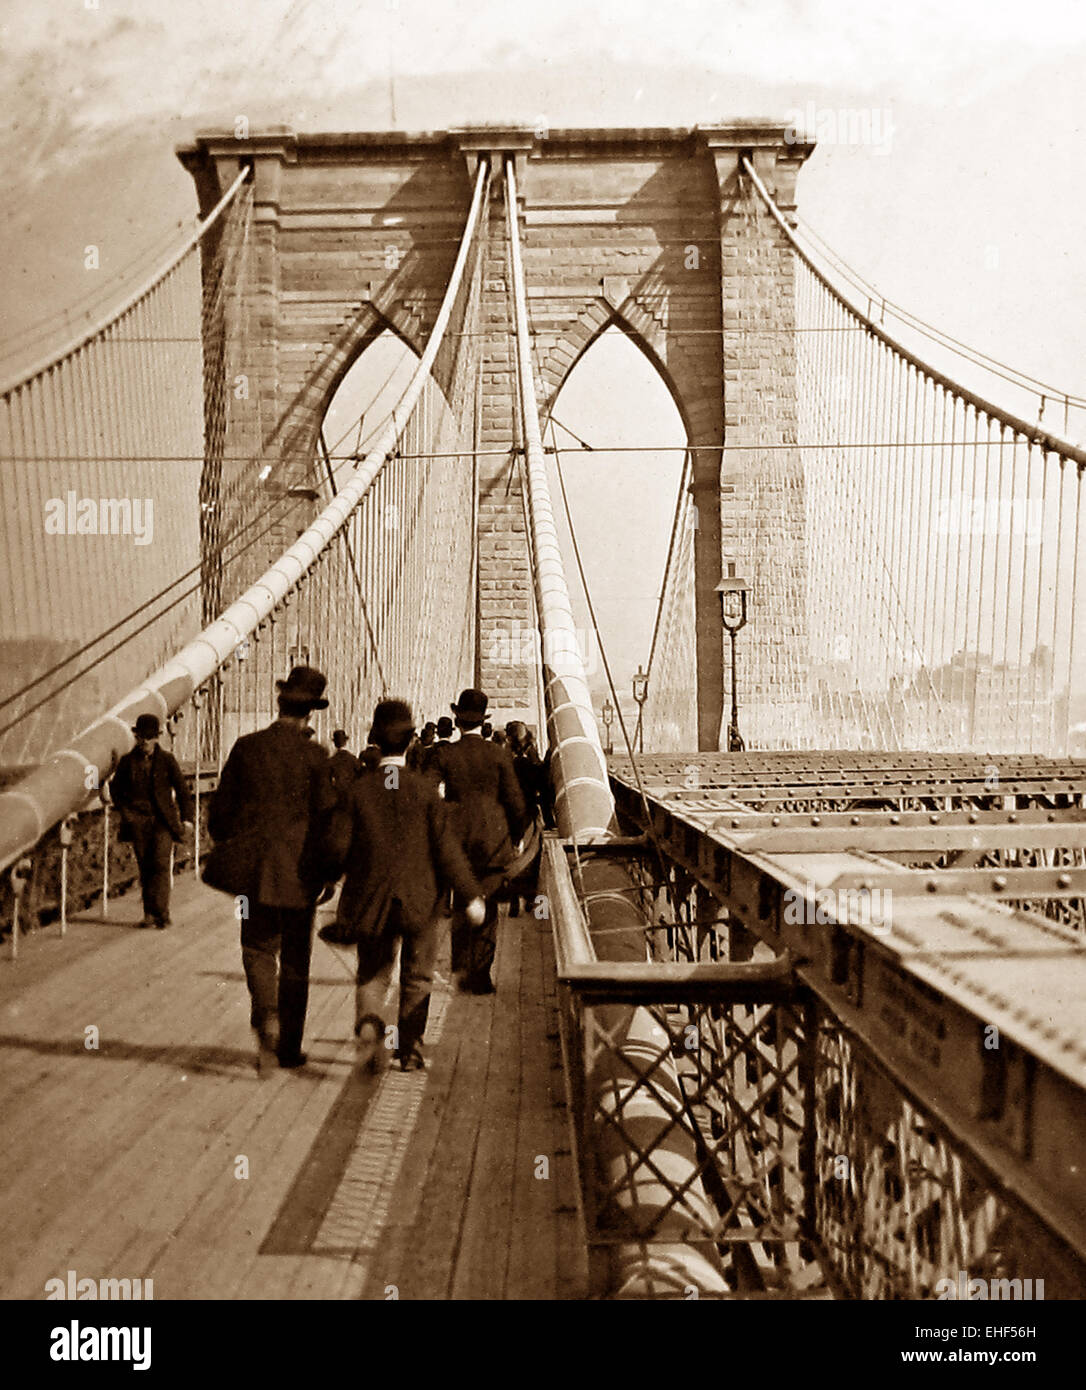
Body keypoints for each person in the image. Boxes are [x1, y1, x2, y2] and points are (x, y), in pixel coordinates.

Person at [328, 700, 485, 1072]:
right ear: (413, 741)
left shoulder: (358, 791)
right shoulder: (425, 792)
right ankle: (410, 1050)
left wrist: (324, 881)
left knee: (374, 972)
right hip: (421, 899)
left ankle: (369, 1024)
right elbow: (447, 852)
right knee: (417, 975)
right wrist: (470, 896)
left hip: (370, 899)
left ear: (375, 740)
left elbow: (336, 848)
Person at [208, 665, 338, 1073]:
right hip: (301, 874)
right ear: (311, 714)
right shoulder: (317, 757)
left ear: (279, 704)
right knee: (297, 958)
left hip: (253, 873)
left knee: (258, 948)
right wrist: (329, 875)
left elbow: (219, 815)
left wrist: (239, 844)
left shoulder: (246, 748)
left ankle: (265, 1015)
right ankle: (289, 1048)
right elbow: (327, 821)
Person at [430, 688, 527, 994]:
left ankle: (460, 968)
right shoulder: (499, 755)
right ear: (483, 720)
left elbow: (428, 793)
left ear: (457, 720)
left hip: (456, 841)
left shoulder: (445, 754)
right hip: (493, 842)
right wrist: (518, 836)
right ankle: (482, 976)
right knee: (488, 907)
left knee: (462, 903)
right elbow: (515, 802)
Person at [109, 713, 194, 929]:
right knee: (145, 867)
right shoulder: (127, 762)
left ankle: (162, 913)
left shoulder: (167, 761)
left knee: (160, 864)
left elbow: (183, 791)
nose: (145, 742)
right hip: (137, 821)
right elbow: (115, 789)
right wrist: (126, 812)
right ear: (137, 738)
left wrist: (187, 819)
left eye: (149, 738)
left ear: (157, 738)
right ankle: (149, 913)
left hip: (162, 821)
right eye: (141, 738)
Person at [328, 729, 358, 793]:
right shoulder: (352, 758)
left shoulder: (332, 760)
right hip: (351, 791)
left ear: (335, 743)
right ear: (345, 742)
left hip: (337, 792)